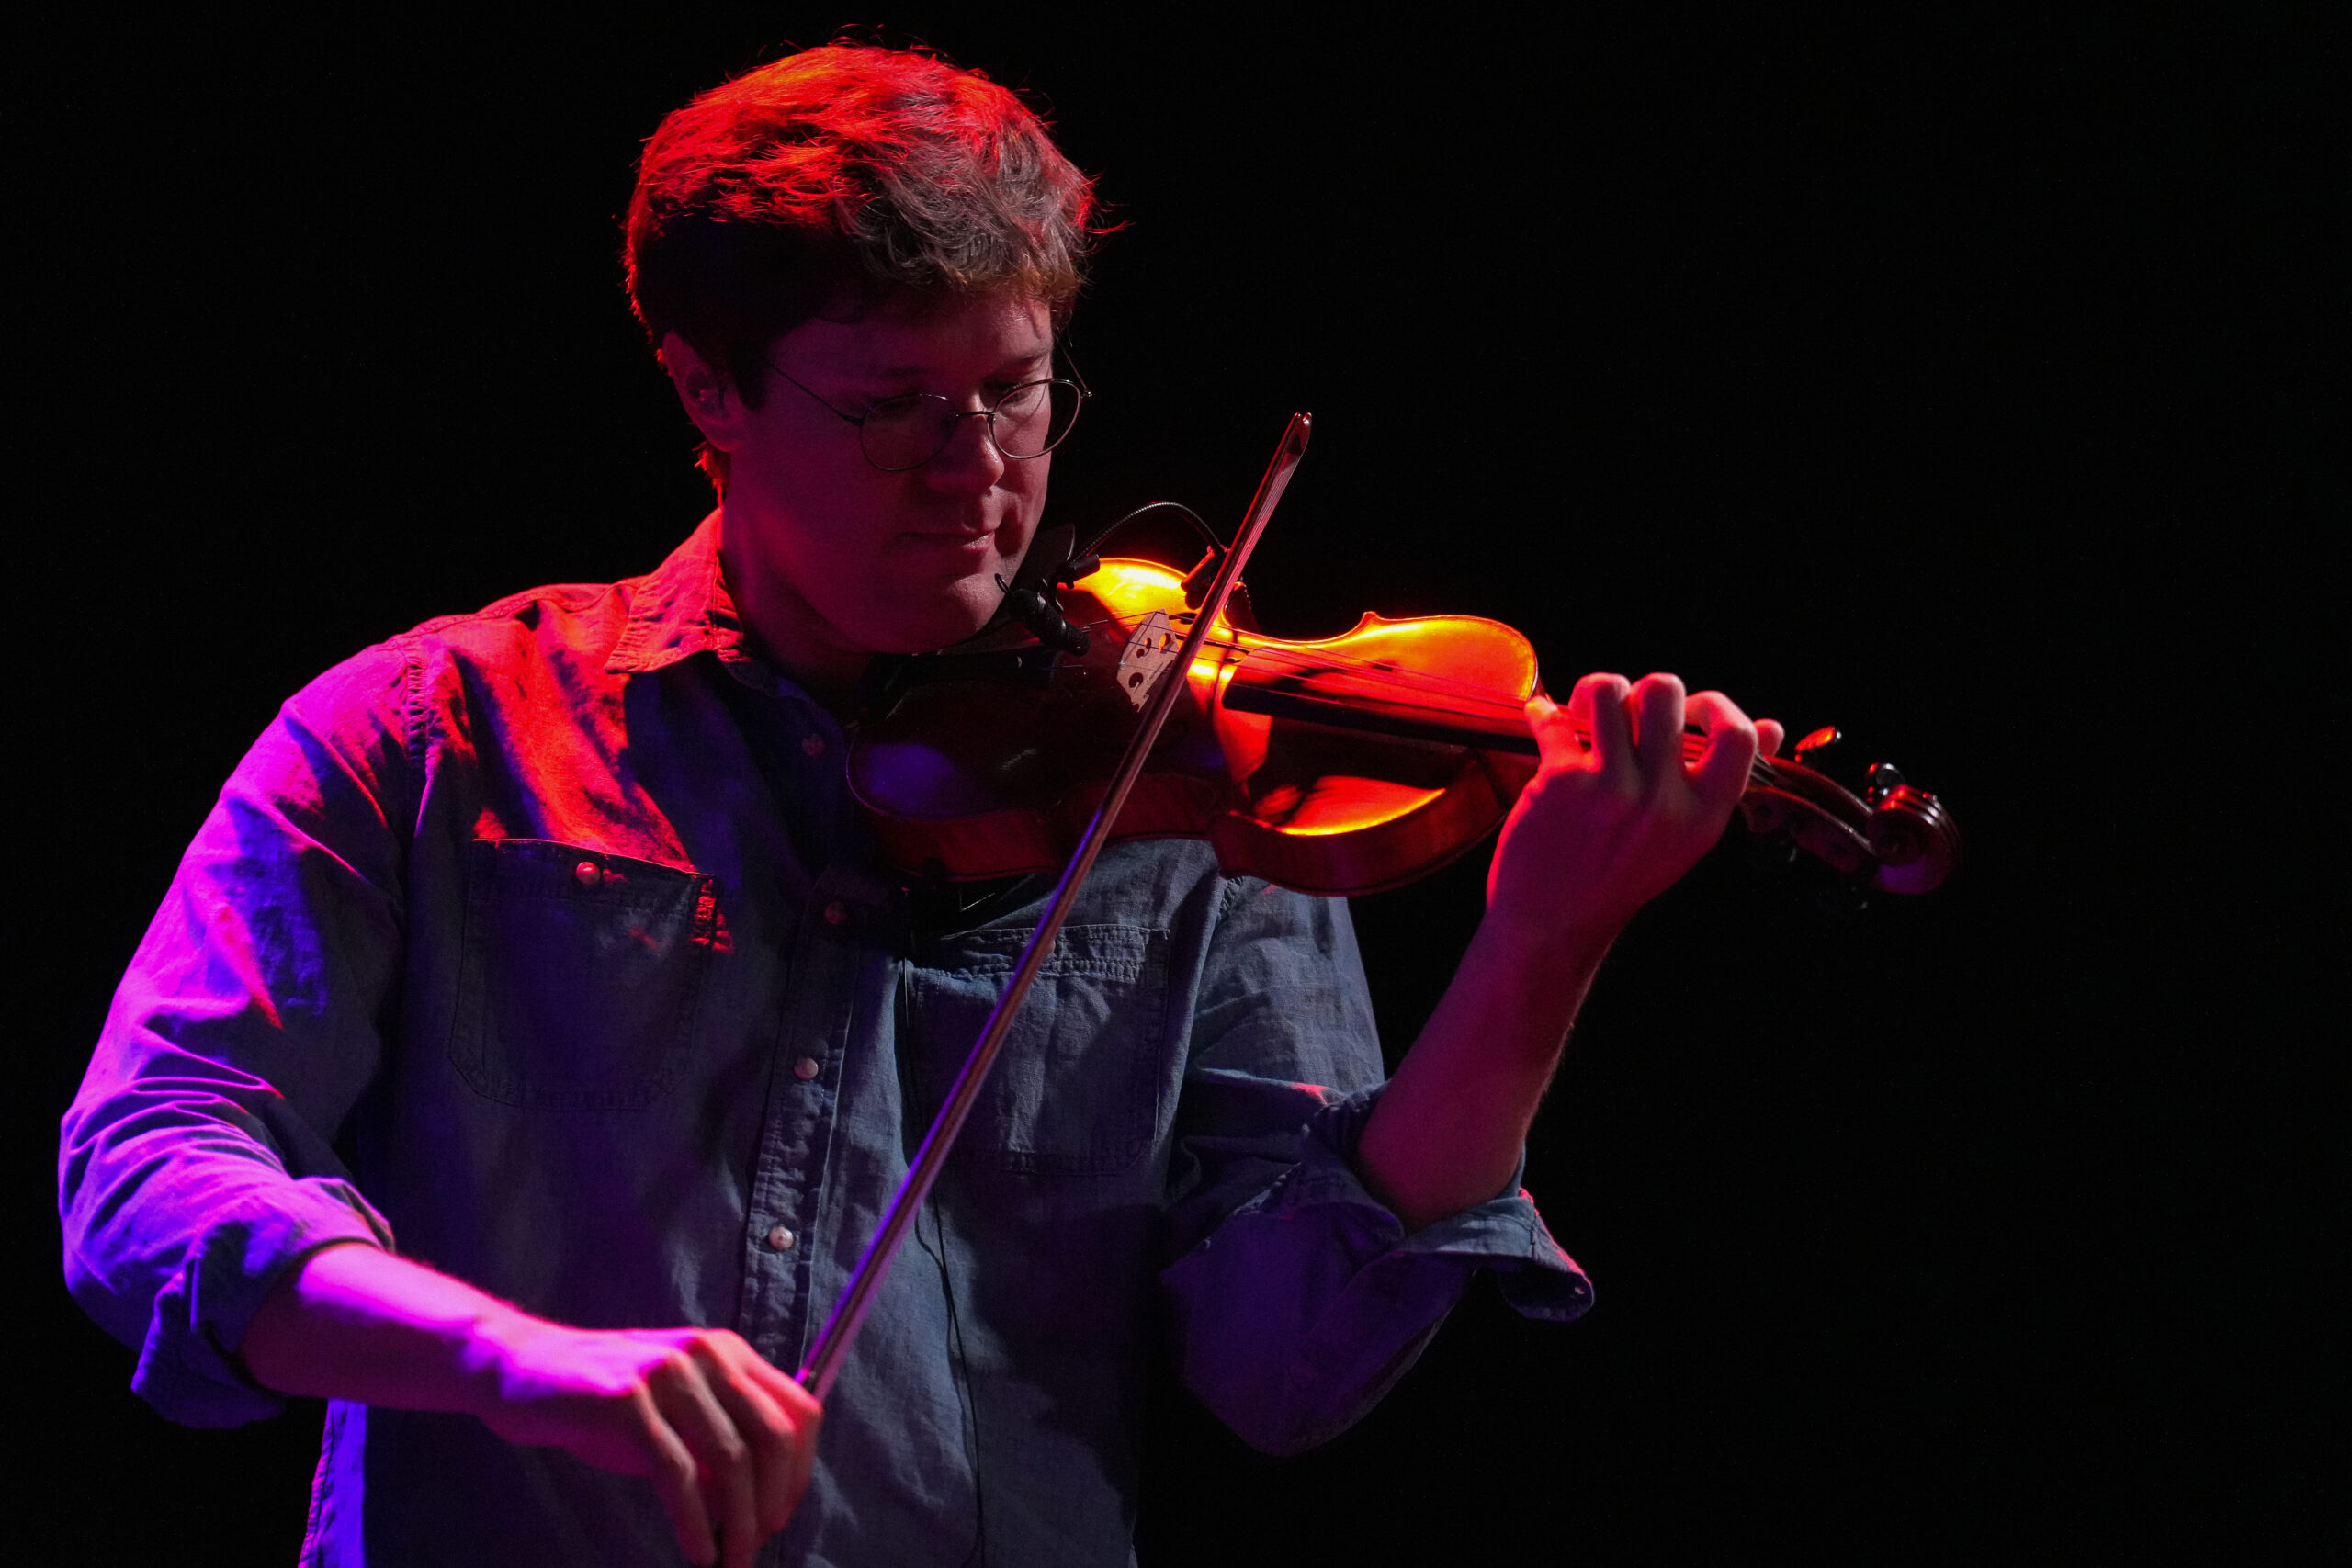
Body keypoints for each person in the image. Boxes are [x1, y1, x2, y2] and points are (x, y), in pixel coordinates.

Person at [58, 42, 1782, 1568]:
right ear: (706, 391)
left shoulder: (1177, 789)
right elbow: (151, 1172)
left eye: (1017, 392)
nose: (978, 473)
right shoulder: (430, 733)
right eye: (889, 408)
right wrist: (513, 1357)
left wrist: (1542, 948)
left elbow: (1291, 1369)